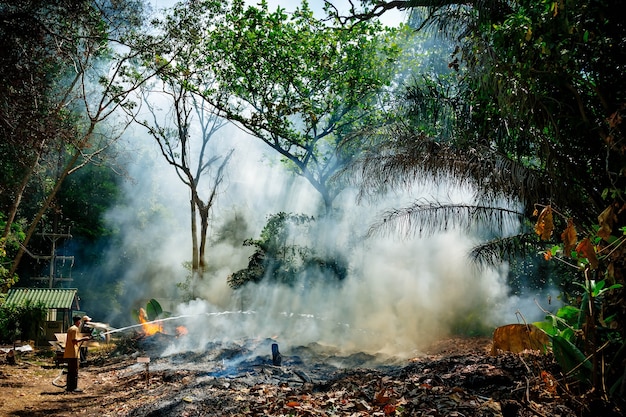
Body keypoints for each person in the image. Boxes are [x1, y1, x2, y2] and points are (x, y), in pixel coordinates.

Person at [63, 315, 91, 392]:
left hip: (70, 352)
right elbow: (74, 341)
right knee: (74, 371)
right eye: (80, 321)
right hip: (73, 353)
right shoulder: (75, 329)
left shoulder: (71, 328)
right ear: (78, 321)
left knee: (71, 371)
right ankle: (73, 388)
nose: (80, 323)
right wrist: (84, 338)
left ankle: (69, 387)